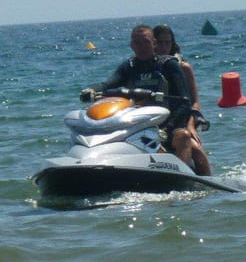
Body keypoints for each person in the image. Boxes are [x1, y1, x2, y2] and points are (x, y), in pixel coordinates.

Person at [80, 24, 194, 167]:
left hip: (166, 126)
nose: (142, 47)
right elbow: (108, 84)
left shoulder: (169, 65)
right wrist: (91, 90)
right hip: (135, 126)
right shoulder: (129, 67)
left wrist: (166, 129)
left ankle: (183, 175)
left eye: (146, 42)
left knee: (183, 136)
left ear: (154, 43)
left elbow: (184, 103)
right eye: (137, 43)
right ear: (132, 46)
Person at [153, 24, 211, 175]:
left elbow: (194, 103)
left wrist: (190, 126)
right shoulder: (146, 67)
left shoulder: (183, 67)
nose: (163, 47)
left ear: (172, 44)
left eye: (167, 42)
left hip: (181, 120)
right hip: (154, 121)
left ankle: (207, 182)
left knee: (196, 150)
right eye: (160, 42)